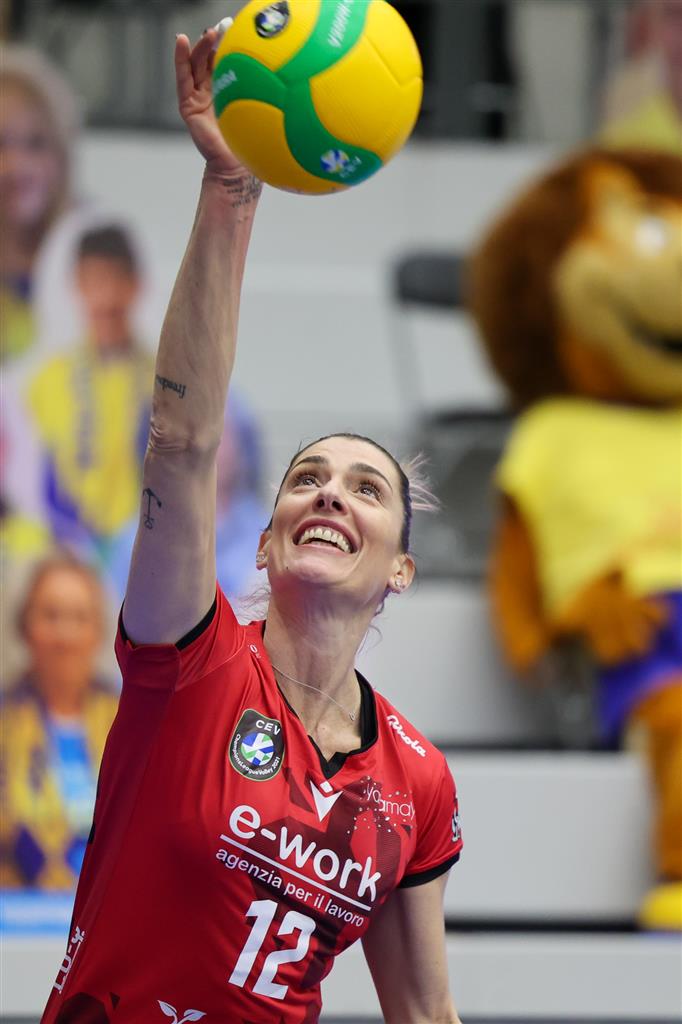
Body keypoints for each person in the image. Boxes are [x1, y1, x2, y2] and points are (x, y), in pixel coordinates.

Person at [41, 24, 463, 1024]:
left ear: (399, 569)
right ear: (265, 542)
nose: (329, 494)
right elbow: (182, 442)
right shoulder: (190, 663)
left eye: (366, 489)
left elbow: (422, 1014)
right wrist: (231, 186)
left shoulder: (416, 779)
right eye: (307, 479)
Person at [26, 223, 154, 571]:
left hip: (142, 558)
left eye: (115, 280)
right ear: (77, 285)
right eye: (94, 281)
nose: (106, 297)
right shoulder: (47, 382)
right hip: (62, 556)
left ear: (135, 285)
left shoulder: (162, 382)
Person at [0, 553, 119, 890]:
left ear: (98, 631)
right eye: (50, 616)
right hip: (18, 912)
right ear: (25, 627)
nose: (65, 636)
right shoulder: (5, 722)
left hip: (108, 908)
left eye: (79, 618)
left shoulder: (127, 721)